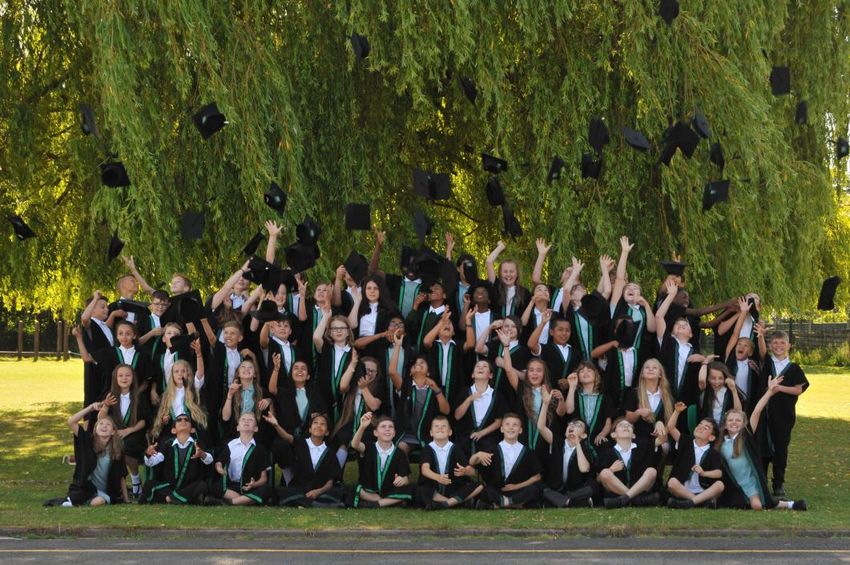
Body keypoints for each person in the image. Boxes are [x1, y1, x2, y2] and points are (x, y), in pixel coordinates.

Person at [717, 376, 807, 510]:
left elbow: (757, 411)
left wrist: (769, 392)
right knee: (740, 504)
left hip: (749, 483)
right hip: (732, 484)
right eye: (730, 420)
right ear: (724, 424)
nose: (734, 423)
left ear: (744, 424)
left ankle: (790, 504)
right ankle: (788, 504)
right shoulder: (721, 442)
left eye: (738, 420)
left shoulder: (745, 437)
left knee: (757, 506)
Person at [43, 402, 127, 507]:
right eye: (101, 424)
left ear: (113, 431)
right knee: (88, 498)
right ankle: (69, 502)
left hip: (105, 492)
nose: (104, 426)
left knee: (99, 501)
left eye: (108, 425)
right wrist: (90, 408)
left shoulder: (116, 450)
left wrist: (126, 499)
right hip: (84, 488)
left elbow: (121, 475)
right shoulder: (87, 442)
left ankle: (71, 502)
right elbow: (71, 421)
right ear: (95, 429)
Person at [757, 330, 809, 497]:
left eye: (782, 343)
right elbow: (762, 351)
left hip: (784, 414)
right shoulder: (767, 363)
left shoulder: (794, 368)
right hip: (764, 413)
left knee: (780, 448)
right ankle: (761, 481)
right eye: (775, 343)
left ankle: (778, 483)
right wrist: (760, 335)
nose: (778, 346)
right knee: (763, 446)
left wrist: (778, 388)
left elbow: (798, 389)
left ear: (789, 346)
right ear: (770, 345)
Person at [97, 364, 150, 498]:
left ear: (133, 378)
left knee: (127, 445)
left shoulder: (139, 396)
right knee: (113, 445)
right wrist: (105, 406)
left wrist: (128, 430)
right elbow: (100, 419)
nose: (124, 378)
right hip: (114, 433)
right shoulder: (110, 396)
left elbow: (144, 420)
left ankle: (136, 480)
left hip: (134, 434)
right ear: (115, 378)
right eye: (120, 375)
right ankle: (108, 484)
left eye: (127, 375)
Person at [538, 390, 596, 508]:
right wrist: (545, 403)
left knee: (593, 487)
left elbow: (584, 469)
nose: (572, 426)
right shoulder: (558, 442)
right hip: (556, 487)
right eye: (570, 424)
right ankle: (571, 502)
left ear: (584, 435)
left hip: (575, 489)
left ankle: (561, 500)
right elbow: (541, 427)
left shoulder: (586, 448)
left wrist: (577, 443)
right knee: (540, 487)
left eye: (578, 425)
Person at [274, 412, 345, 508]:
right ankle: (316, 504)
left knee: (336, 492)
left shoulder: (330, 453)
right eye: (315, 423)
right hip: (300, 489)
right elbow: (287, 437)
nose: (319, 425)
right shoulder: (300, 443)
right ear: (310, 429)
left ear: (327, 432)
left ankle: (305, 503)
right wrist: (276, 425)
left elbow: (330, 482)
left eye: (323, 424)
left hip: (320, 491)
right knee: (285, 492)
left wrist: (317, 492)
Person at [474, 413, 543, 509]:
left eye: (515, 425)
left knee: (533, 489)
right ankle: (515, 504)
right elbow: (472, 463)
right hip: (498, 491)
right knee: (485, 490)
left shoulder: (528, 452)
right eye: (507, 424)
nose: (511, 427)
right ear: (502, 429)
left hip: (518, 490)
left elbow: (537, 477)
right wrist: (478, 455)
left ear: (520, 430)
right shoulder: (493, 449)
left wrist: (515, 486)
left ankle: (503, 503)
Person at [140, 414, 213, 504]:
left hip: (189, 486)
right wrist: (148, 454)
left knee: (202, 485)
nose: (183, 421)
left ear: (192, 429)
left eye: (186, 420)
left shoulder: (197, 444)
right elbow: (152, 462)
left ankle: (168, 499)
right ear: (173, 430)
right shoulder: (168, 444)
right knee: (148, 485)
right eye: (179, 420)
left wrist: (202, 454)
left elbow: (210, 460)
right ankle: (182, 498)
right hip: (170, 486)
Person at [416, 415, 484, 509]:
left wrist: (465, 471)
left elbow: (472, 472)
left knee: (480, 486)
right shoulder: (427, 449)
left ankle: (445, 504)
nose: (440, 428)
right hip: (433, 488)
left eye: (443, 426)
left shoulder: (456, 449)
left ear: (450, 432)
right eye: (436, 426)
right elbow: (425, 470)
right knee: (420, 490)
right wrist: (438, 478)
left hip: (452, 488)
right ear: (431, 433)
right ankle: (455, 502)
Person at [665, 403, 725, 509]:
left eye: (706, 428)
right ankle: (699, 502)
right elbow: (671, 427)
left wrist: (703, 473)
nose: (700, 428)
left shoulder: (713, 452)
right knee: (672, 482)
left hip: (703, 490)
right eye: (700, 425)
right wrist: (677, 412)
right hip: (683, 488)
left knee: (720, 485)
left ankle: (690, 502)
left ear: (711, 437)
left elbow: (718, 473)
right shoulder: (686, 442)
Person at [596, 418, 664, 509]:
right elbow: (598, 479)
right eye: (621, 425)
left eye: (629, 426)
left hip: (641, 489)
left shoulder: (644, 446)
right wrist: (611, 469)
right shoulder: (607, 453)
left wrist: (659, 423)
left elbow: (662, 439)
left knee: (652, 471)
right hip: (616, 492)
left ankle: (624, 500)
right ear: (613, 434)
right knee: (605, 472)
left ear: (633, 435)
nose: (625, 426)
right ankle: (636, 500)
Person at [207, 412, 272, 505]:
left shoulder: (260, 449)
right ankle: (247, 500)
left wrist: (254, 484)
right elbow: (219, 462)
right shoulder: (230, 445)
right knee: (214, 486)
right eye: (243, 419)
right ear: (238, 427)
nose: (246, 421)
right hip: (231, 486)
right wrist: (219, 468)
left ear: (256, 428)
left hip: (249, 487)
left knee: (266, 489)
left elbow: (264, 478)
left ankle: (230, 502)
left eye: (250, 420)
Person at [350, 413, 413, 508]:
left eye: (390, 427)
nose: (387, 429)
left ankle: (375, 504)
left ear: (394, 433)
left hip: (390, 490)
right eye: (383, 426)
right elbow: (355, 444)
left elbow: (406, 478)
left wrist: (403, 480)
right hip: (370, 490)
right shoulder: (369, 447)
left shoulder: (399, 453)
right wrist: (362, 427)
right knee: (355, 489)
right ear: (375, 433)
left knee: (408, 490)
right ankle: (387, 502)